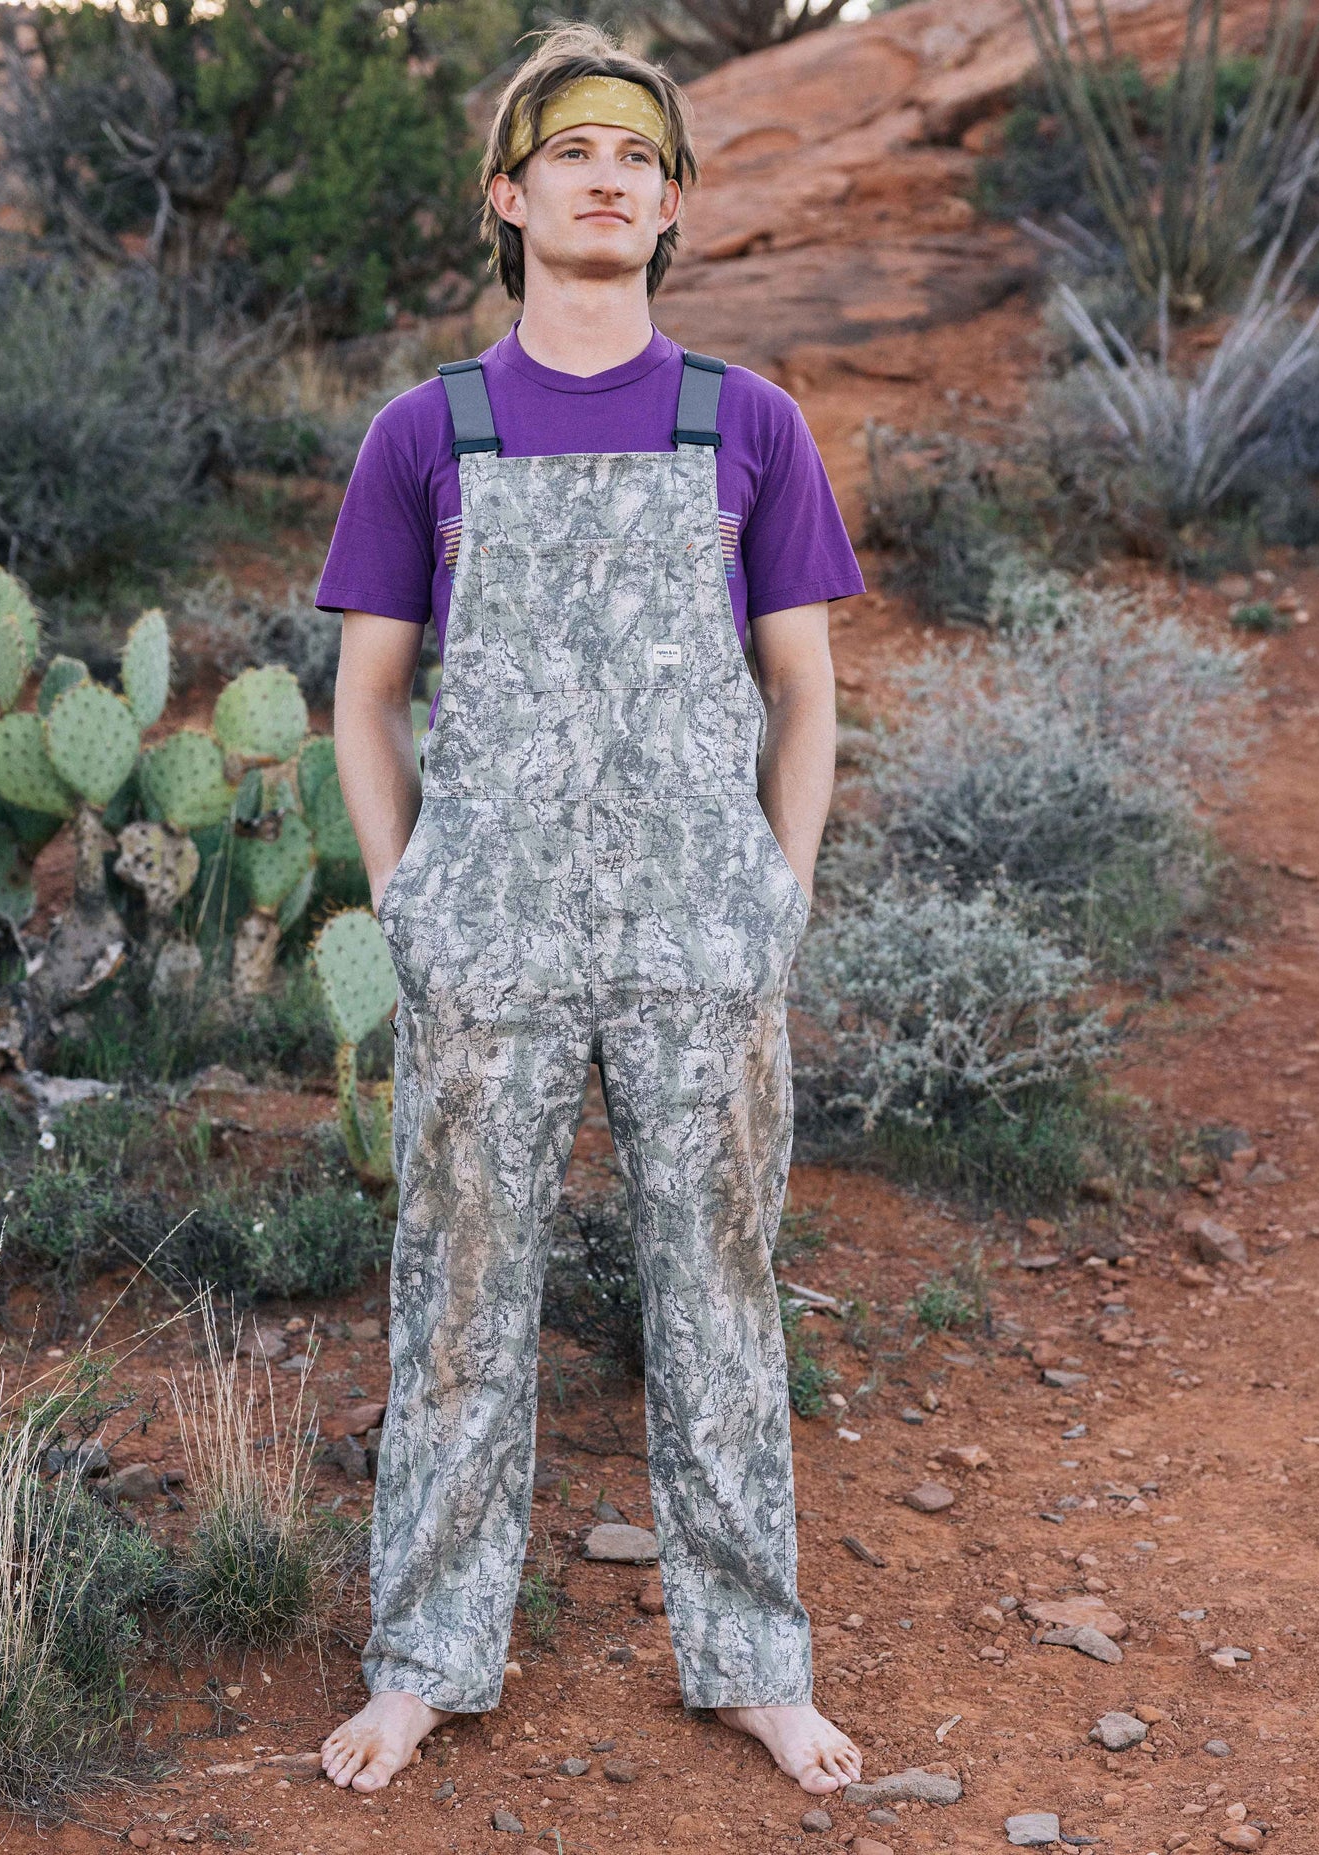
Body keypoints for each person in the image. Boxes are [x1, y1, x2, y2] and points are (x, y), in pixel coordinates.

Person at [314, 19, 867, 1801]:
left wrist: (774, 897)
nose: (609, 177)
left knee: (719, 1292)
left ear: (676, 205)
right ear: (509, 191)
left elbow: (805, 693)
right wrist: (415, 905)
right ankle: (424, 1661)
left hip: (701, 940)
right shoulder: (430, 430)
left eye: (641, 157)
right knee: (462, 1296)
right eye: (573, 153)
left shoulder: (746, 422)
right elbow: (366, 696)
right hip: (495, 949)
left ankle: (757, 1665)